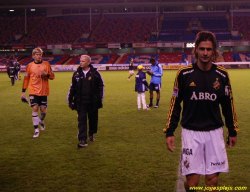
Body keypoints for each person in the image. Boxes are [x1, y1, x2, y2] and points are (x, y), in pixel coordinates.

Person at [164, 31, 239, 192]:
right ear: (196, 50)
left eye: (209, 49)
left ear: (214, 52)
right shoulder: (184, 74)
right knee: (192, 184)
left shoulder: (222, 75)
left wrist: (232, 130)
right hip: (191, 133)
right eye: (202, 49)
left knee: (212, 181)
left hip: (214, 132)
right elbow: (175, 103)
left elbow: (228, 104)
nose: (205, 53)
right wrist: (170, 131)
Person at [67, 55, 104, 148]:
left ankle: (91, 133)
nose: (81, 63)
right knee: (81, 120)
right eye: (80, 61)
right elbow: (72, 88)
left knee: (93, 120)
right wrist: (70, 99)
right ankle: (83, 139)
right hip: (81, 102)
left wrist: (99, 99)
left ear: (88, 62)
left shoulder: (95, 73)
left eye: (83, 61)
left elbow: (101, 86)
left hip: (92, 102)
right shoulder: (76, 74)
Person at [21, 48, 55, 138]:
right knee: (35, 108)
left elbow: (53, 76)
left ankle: (41, 121)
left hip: (44, 91)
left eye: (40, 54)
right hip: (33, 90)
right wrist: (23, 92)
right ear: (33, 56)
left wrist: (46, 75)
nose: (39, 56)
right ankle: (36, 130)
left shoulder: (46, 64)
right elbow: (26, 79)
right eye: (37, 54)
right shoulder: (29, 66)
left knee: (43, 111)